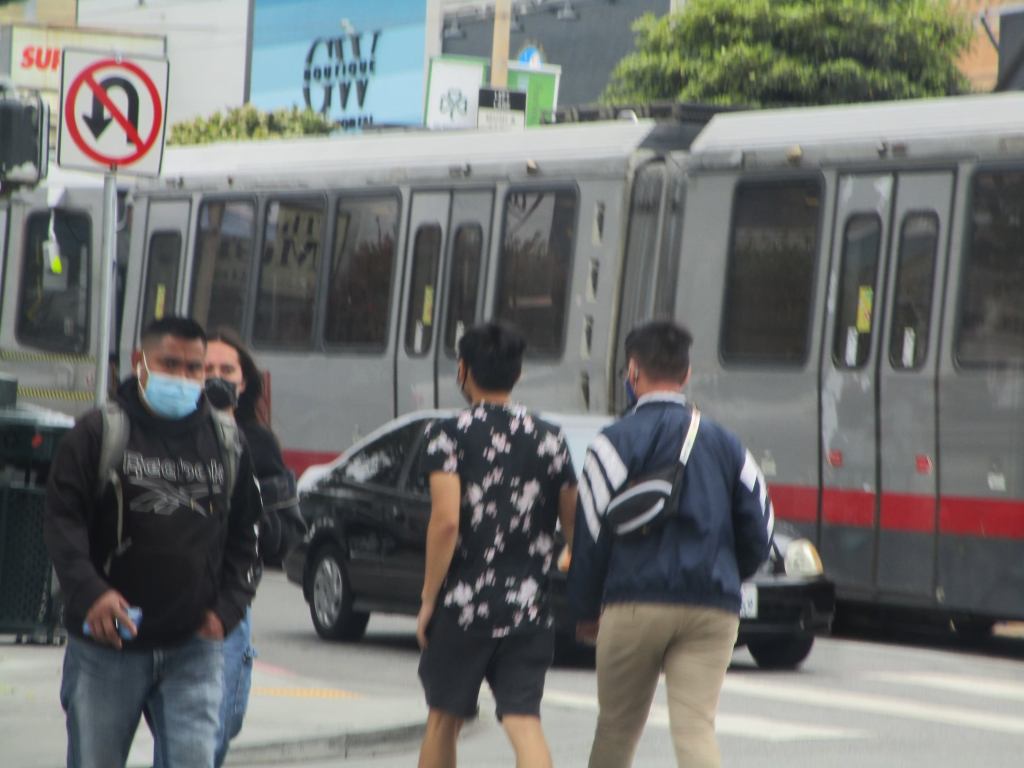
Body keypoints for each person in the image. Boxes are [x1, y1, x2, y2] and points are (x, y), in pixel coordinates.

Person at [43, 316, 262, 768]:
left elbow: (246, 538)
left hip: (194, 649)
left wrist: (225, 612)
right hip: (108, 648)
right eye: (169, 364)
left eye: (193, 368)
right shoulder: (96, 434)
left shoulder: (227, 442)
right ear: (139, 361)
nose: (182, 378)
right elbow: (63, 524)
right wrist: (92, 594)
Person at [567, 320, 773, 768]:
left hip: (634, 602)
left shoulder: (613, 442)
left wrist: (585, 610)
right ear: (686, 374)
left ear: (633, 371)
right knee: (696, 729)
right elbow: (761, 526)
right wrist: (726, 574)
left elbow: (590, 533)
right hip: (712, 606)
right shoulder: (728, 444)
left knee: (616, 729)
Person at [416, 322, 578, 768]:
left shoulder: (448, 435)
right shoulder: (550, 438)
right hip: (528, 606)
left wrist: (429, 599)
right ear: (518, 374)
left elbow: (446, 523)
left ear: (462, 370)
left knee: (442, 719)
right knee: (524, 721)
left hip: (463, 605)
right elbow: (573, 521)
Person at [201, 327, 303, 766]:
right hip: (157, 607)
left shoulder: (257, 443)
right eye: (206, 368)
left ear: (244, 383)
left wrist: (248, 519)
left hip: (225, 610)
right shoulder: (161, 435)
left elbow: (285, 533)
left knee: (218, 729)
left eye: (227, 370)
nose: (215, 378)